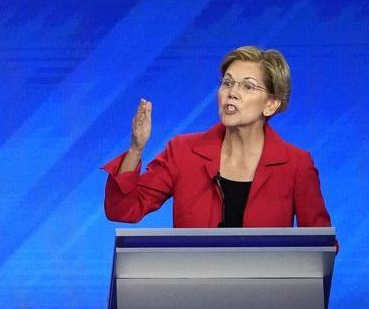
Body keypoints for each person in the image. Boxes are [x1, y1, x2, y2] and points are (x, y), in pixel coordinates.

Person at [102, 46, 331, 229]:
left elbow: (320, 246)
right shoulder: (183, 152)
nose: (232, 92)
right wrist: (136, 149)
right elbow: (122, 209)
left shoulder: (296, 165)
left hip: (265, 288)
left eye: (248, 86)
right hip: (195, 285)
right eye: (228, 83)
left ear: (271, 105)